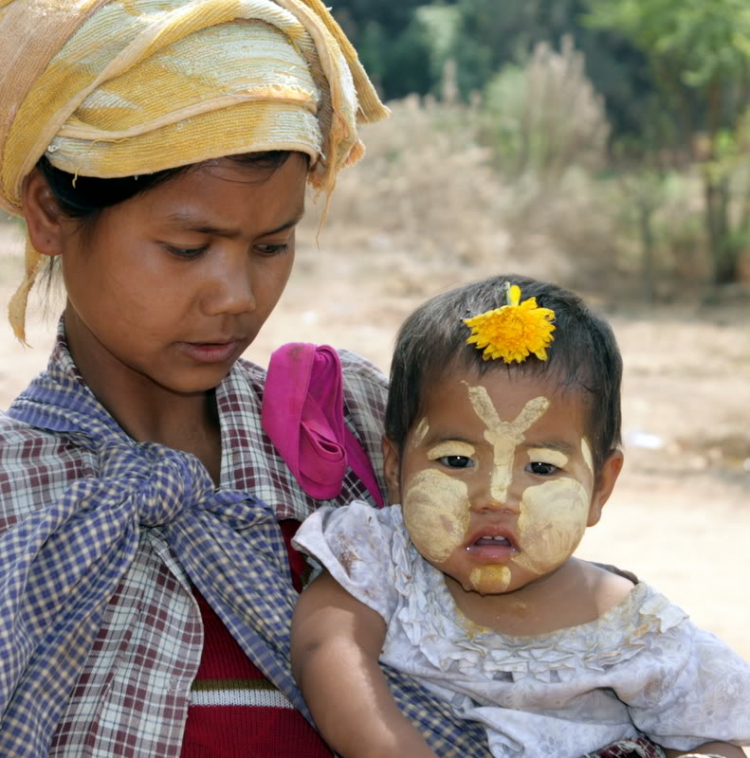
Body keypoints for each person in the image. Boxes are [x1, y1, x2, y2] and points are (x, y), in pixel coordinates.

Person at [291, 274, 750, 758]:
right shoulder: (381, 559)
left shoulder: (635, 632)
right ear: (394, 466)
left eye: (541, 468)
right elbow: (325, 651)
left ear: (601, 487)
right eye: (455, 460)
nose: (494, 496)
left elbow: (715, 740)